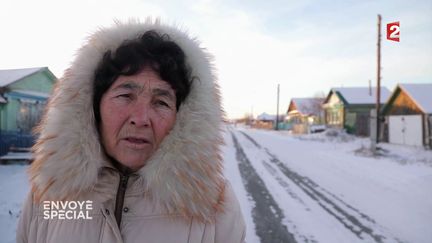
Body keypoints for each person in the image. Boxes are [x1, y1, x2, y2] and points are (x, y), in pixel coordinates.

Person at [16, 19, 246, 243]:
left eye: (161, 102)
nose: (140, 119)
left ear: (183, 117)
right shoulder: (49, 198)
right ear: (93, 107)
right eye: (125, 96)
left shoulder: (214, 206)